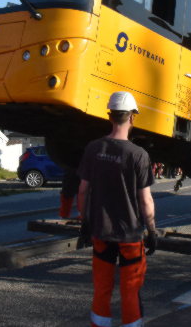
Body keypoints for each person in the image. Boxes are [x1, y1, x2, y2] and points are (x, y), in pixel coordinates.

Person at [77, 91, 156, 327]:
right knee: (130, 289)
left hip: (101, 231)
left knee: (102, 288)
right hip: (130, 235)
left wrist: (85, 221)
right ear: (132, 118)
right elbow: (146, 201)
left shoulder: (93, 148)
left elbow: (82, 191)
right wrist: (152, 230)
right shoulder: (139, 155)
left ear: (110, 116)